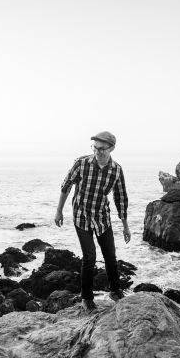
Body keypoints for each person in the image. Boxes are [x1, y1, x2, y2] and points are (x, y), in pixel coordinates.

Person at [54, 131, 131, 314]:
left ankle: (115, 291)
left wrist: (125, 225)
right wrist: (59, 211)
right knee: (89, 256)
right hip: (81, 216)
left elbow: (121, 198)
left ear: (112, 148)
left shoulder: (116, 170)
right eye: (95, 148)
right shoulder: (81, 164)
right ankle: (87, 298)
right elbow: (66, 186)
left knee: (110, 256)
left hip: (102, 217)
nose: (97, 152)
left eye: (102, 149)